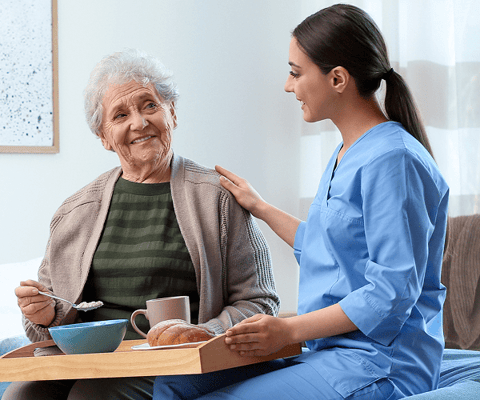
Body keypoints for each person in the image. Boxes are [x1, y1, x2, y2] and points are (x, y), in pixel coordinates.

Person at [153, 4, 449, 399]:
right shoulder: (347, 153)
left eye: (295, 72)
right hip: (328, 352)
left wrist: (287, 329)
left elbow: (391, 292)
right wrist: (259, 206)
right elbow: (327, 250)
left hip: (380, 363)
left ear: (338, 78)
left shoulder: (392, 160)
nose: (288, 86)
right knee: (176, 381)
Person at [5, 49, 279, 400]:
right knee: (21, 395)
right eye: (120, 115)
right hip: (88, 361)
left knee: (92, 398)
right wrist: (44, 313)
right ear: (104, 137)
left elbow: (260, 301)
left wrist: (202, 333)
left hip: (174, 363)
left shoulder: (217, 198)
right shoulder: (74, 211)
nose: (138, 122)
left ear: (172, 113)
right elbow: (43, 328)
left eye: (149, 105)